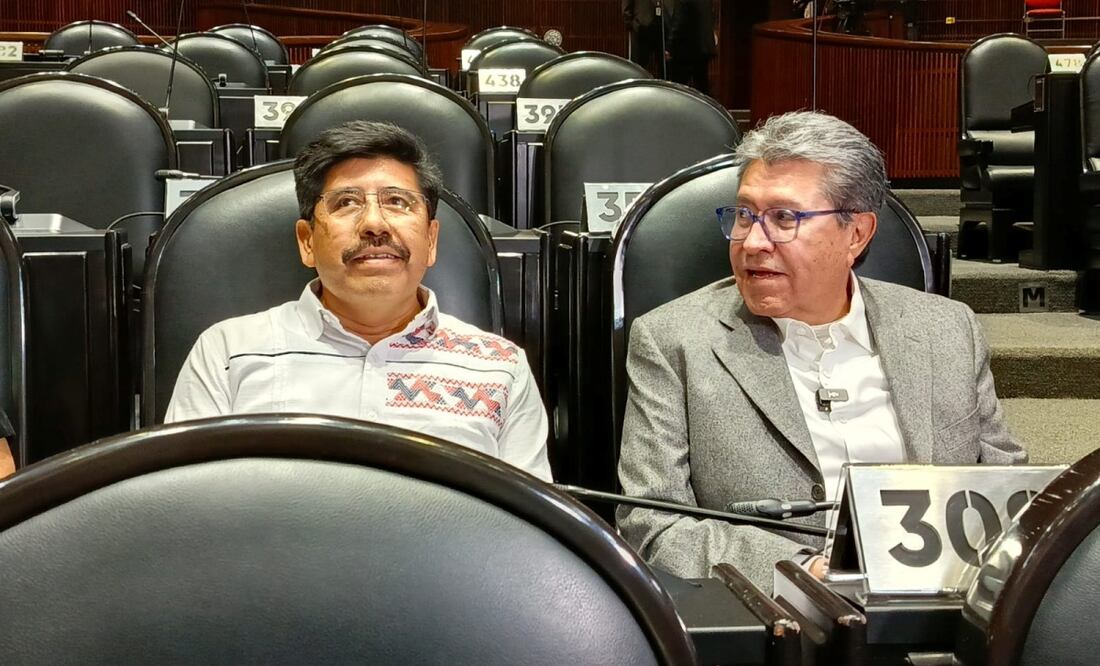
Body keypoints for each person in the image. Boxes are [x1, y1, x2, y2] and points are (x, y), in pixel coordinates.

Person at [616, 111, 1027, 591]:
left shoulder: (946, 329)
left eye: (784, 218)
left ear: (856, 234)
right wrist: (805, 570)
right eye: (745, 215)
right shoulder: (672, 341)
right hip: (778, 619)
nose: (752, 241)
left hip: (945, 603)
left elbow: (1011, 490)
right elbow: (652, 525)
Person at [166, 121, 552, 482]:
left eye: (398, 202)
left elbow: (529, 534)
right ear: (306, 242)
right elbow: (184, 509)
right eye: (346, 203)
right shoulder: (228, 354)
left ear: (431, 241)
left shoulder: (501, 367)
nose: (374, 224)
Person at [667, 0, 716, 95]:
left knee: (678, 89)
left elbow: (679, 23)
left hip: (686, 49)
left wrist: (669, 46)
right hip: (703, 47)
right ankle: (707, 109)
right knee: (702, 87)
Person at [623, 0, 665, 76]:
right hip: (641, 28)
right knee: (638, 69)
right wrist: (633, 24)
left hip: (662, 29)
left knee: (664, 69)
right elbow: (627, 7)